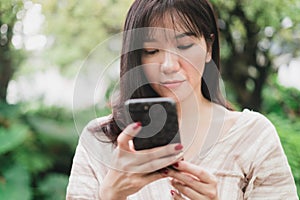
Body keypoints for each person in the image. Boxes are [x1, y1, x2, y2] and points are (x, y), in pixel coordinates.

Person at [66, 0, 298, 199]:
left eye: (184, 45)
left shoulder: (253, 136)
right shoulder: (99, 140)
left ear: (209, 47)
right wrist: (111, 196)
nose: (168, 65)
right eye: (151, 50)